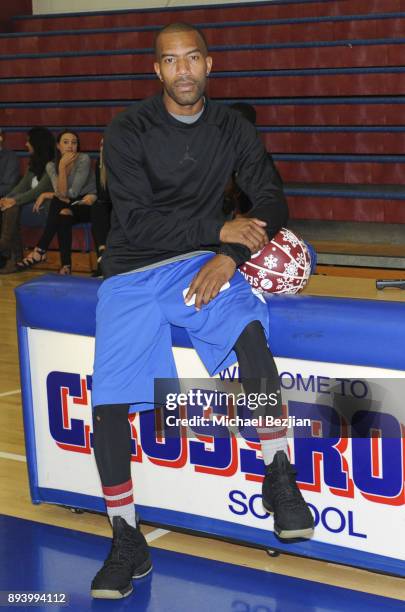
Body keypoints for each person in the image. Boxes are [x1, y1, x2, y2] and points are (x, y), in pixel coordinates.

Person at [90, 23, 314, 600]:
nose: (183, 70)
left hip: (204, 262)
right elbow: (134, 220)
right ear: (157, 70)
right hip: (135, 268)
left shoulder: (231, 126)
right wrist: (218, 228)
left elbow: (271, 196)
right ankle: (125, 536)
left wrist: (232, 254)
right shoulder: (128, 129)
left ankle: (279, 475)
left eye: (193, 58)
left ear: (209, 65)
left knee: (249, 336)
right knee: (110, 400)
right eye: (171, 61)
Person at [16, 129, 96, 275]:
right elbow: (61, 194)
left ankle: (40, 250)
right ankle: (66, 266)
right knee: (62, 213)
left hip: (87, 204)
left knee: (57, 203)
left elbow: (73, 193)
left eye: (74, 142)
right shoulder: (51, 166)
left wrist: (48, 194)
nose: (70, 146)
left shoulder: (83, 159)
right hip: (68, 205)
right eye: (65, 142)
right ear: (58, 146)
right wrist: (61, 167)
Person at [0, 127, 55, 274]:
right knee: (9, 207)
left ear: (37, 143)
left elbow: (37, 192)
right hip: (28, 208)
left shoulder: (52, 164)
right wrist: (6, 199)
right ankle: (13, 258)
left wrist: (13, 201)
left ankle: (6, 249)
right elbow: (21, 186)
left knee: (12, 208)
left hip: (44, 209)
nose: (26, 144)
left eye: (28, 141)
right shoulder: (35, 163)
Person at [90, 138, 112, 277]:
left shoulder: (125, 162)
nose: (104, 147)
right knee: (97, 207)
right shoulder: (100, 163)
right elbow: (102, 193)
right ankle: (102, 254)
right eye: (102, 144)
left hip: (122, 204)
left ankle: (104, 262)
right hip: (107, 204)